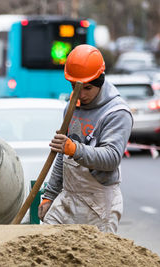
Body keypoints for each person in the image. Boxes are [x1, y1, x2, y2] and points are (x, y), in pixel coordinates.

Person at [38, 45, 133, 233]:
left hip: (98, 203)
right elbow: (62, 157)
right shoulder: (72, 107)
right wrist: (49, 196)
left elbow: (112, 158)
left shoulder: (116, 113)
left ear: (100, 81)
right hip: (68, 198)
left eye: (87, 88)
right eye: (75, 87)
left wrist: (74, 149)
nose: (80, 94)